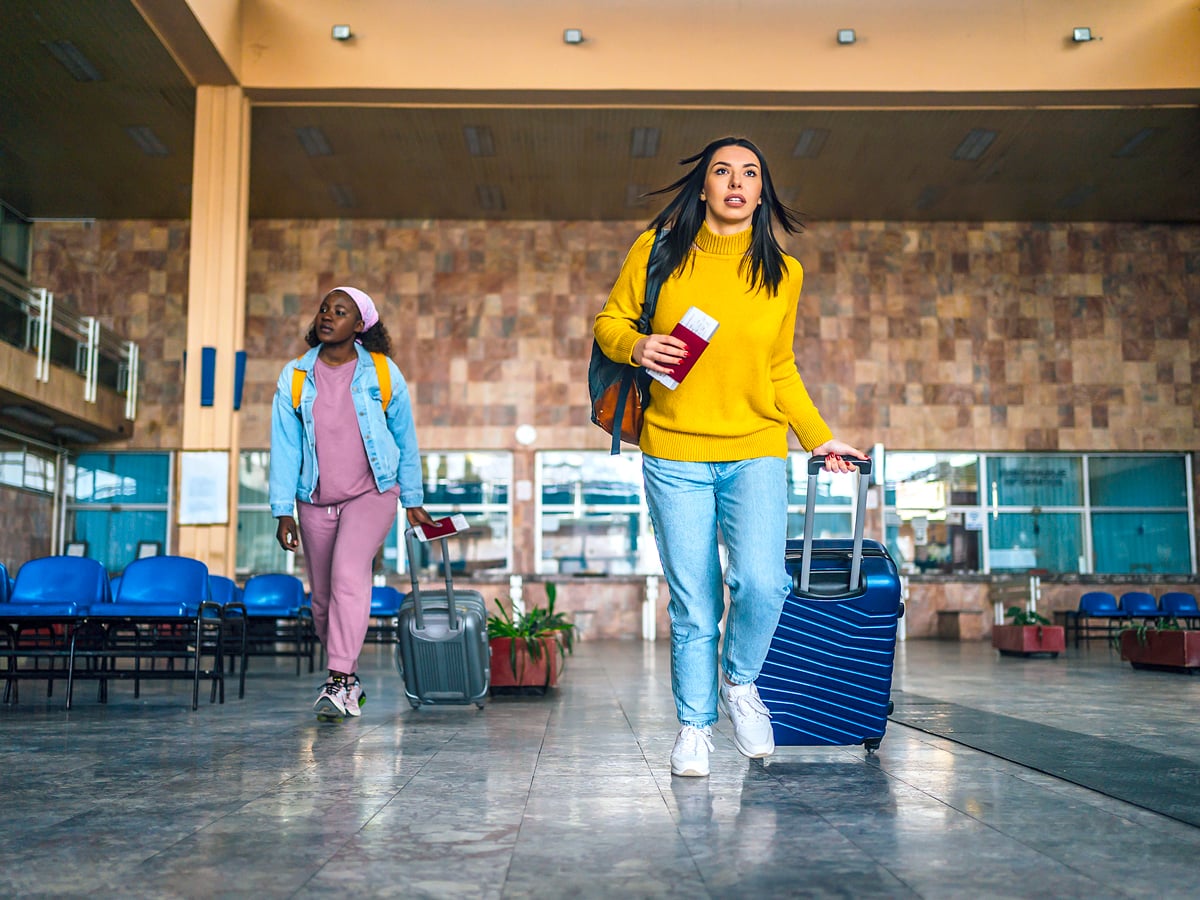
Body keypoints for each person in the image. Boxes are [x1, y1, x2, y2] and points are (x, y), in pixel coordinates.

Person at [593, 137, 867, 777]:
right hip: (675, 450)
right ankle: (694, 727)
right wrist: (638, 347)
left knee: (765, 583)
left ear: (762, 191)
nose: (736, 182)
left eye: (750, 173)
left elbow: (779, 365)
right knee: (695, 602)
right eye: (723, 171)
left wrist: (816, 434)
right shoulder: (658, 249)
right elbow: (610, 321)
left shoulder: (783, 273)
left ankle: (740, 683)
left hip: (756, 450)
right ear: (705, 186)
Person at [270, 285, 434, 720]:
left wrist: (412, 498)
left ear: (359, 325)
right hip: (314, 499)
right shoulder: (296, 376)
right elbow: (285, 446)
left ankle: (338, 679)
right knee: (322, 601)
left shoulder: (381, 372)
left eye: (340, 312)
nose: (327, 316)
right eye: (324, 308)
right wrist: (282, 508)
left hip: (372, 492)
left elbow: (405, 439)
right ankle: (349, 679)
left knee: (347, 574)